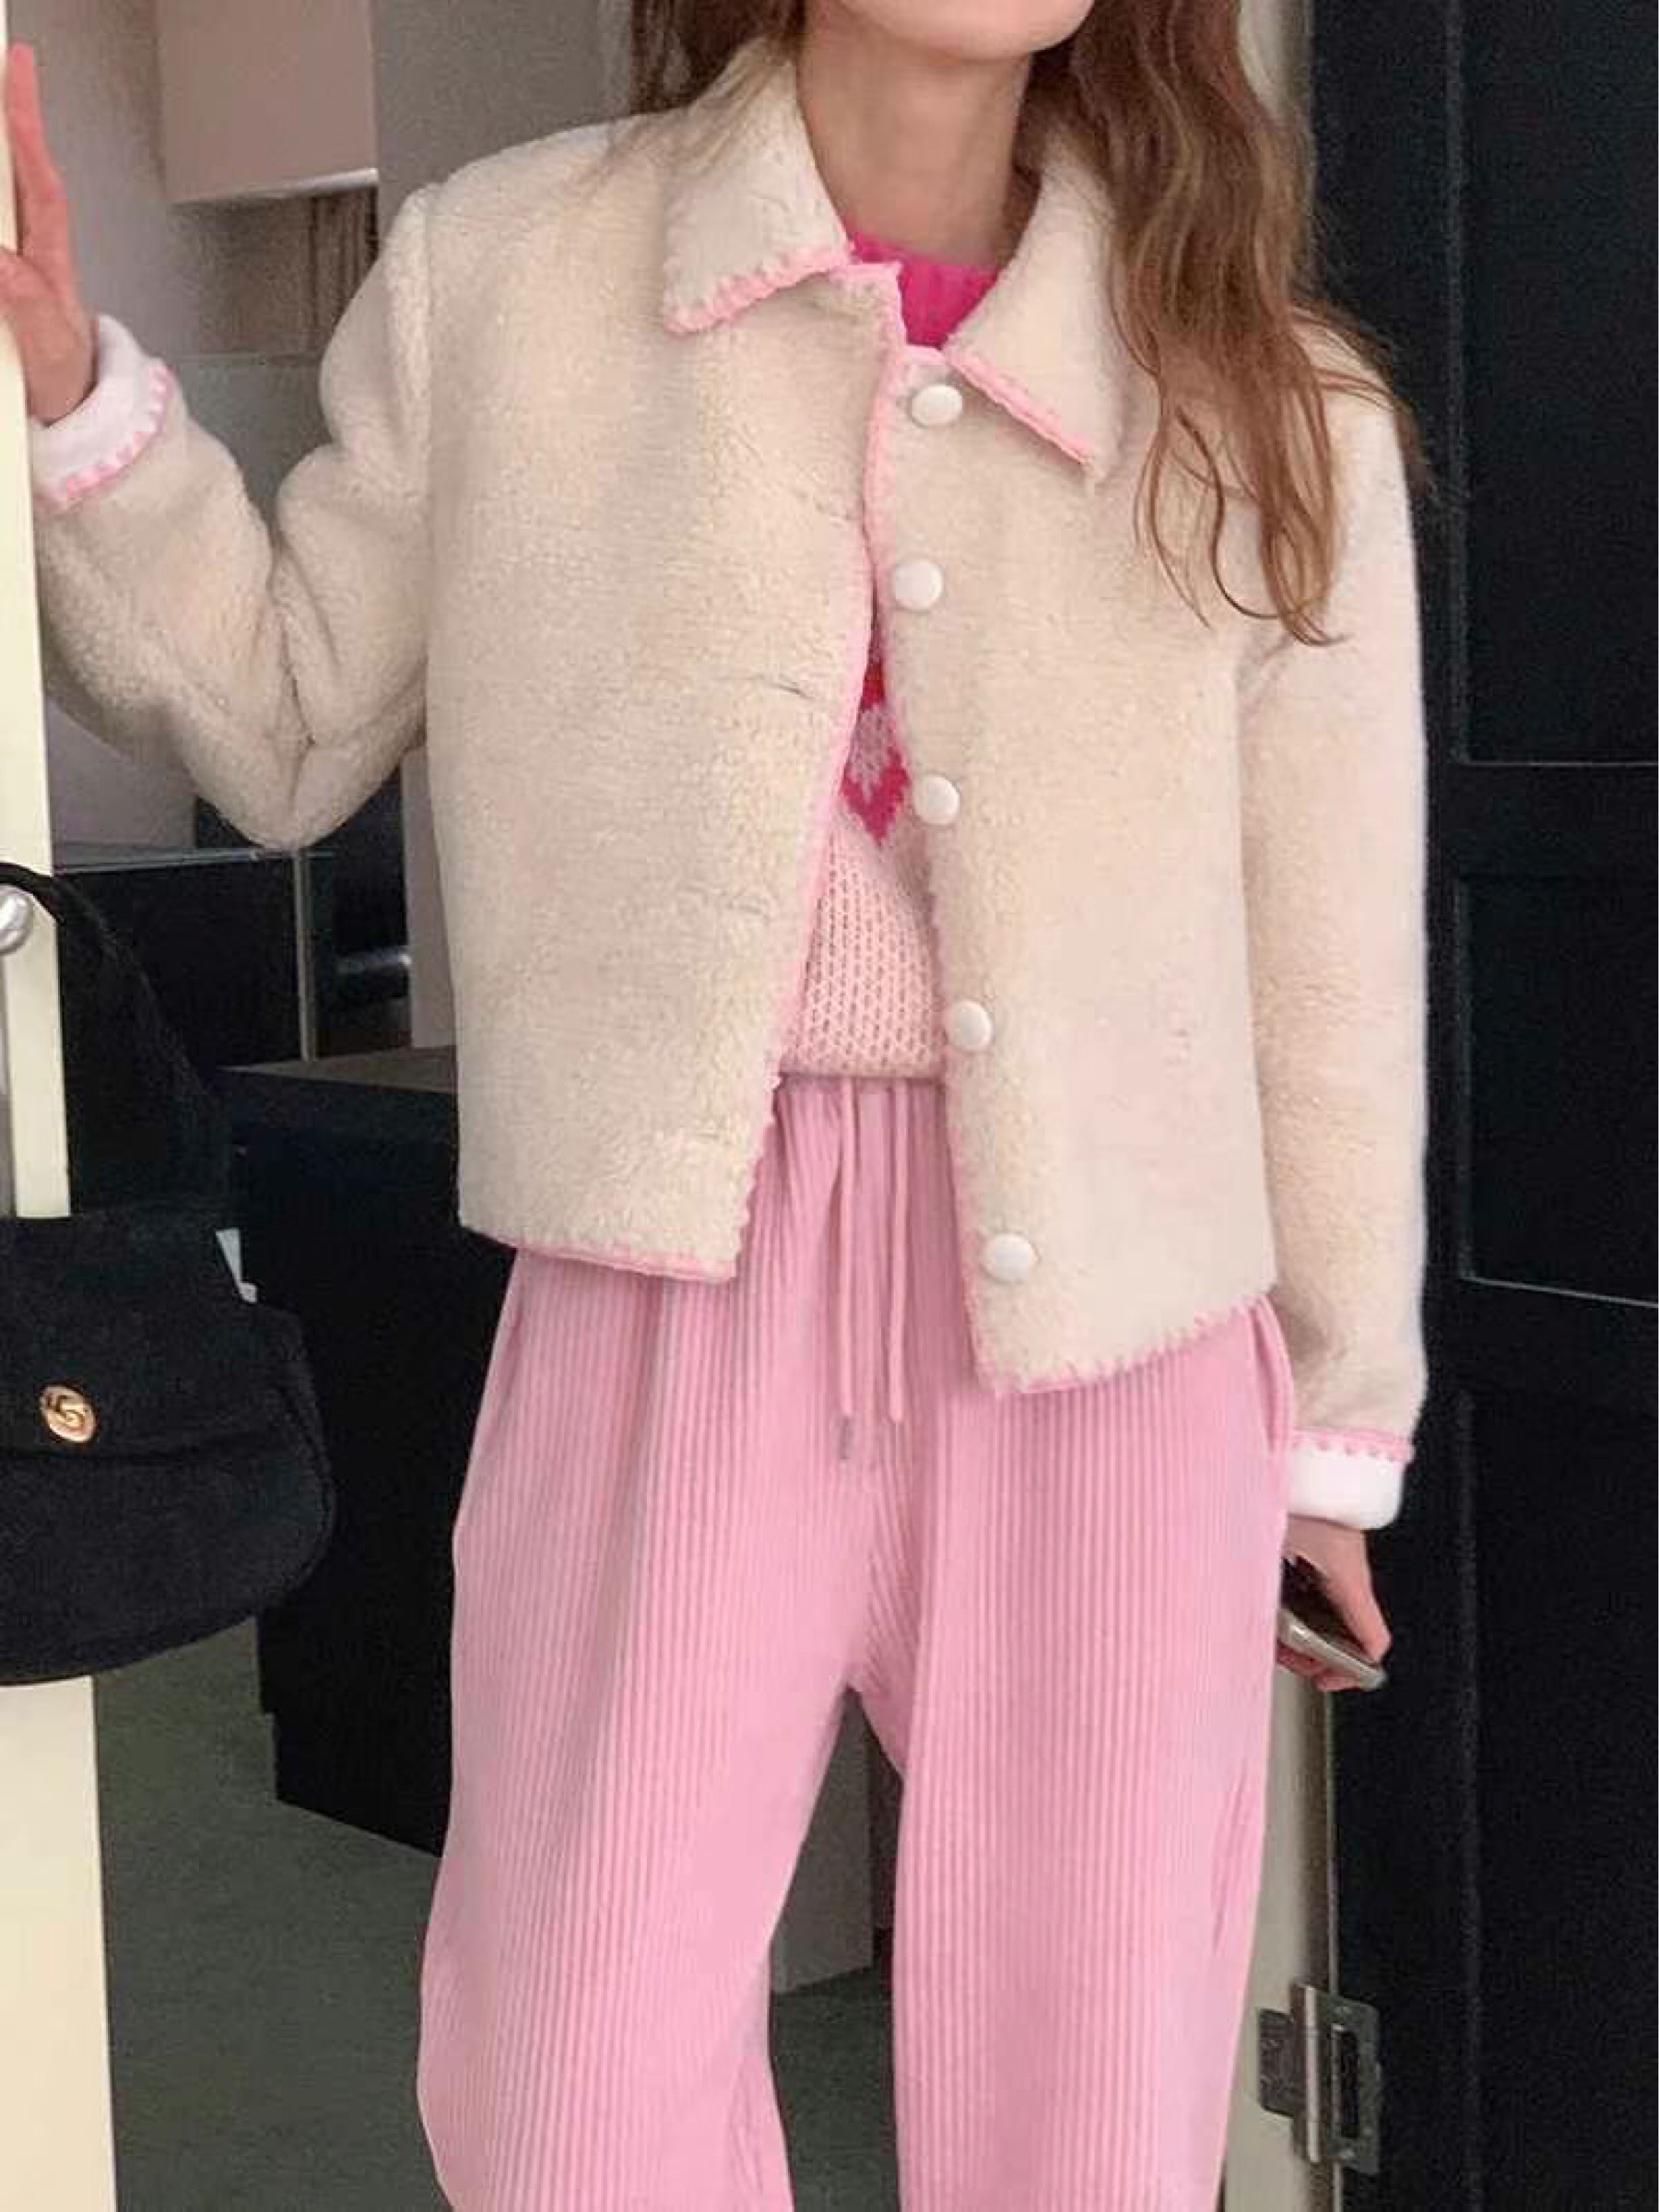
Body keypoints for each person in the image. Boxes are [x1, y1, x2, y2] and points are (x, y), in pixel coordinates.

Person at [2, 2, 1428, 2203]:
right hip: (669, 1280)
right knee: (565, 2090)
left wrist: (1331, 1430)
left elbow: (1327, 962)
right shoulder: (514, 270)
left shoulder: (1261, 380)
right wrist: (74, 391)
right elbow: (281, 722)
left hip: (1117, 1332)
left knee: (1087, 2120)